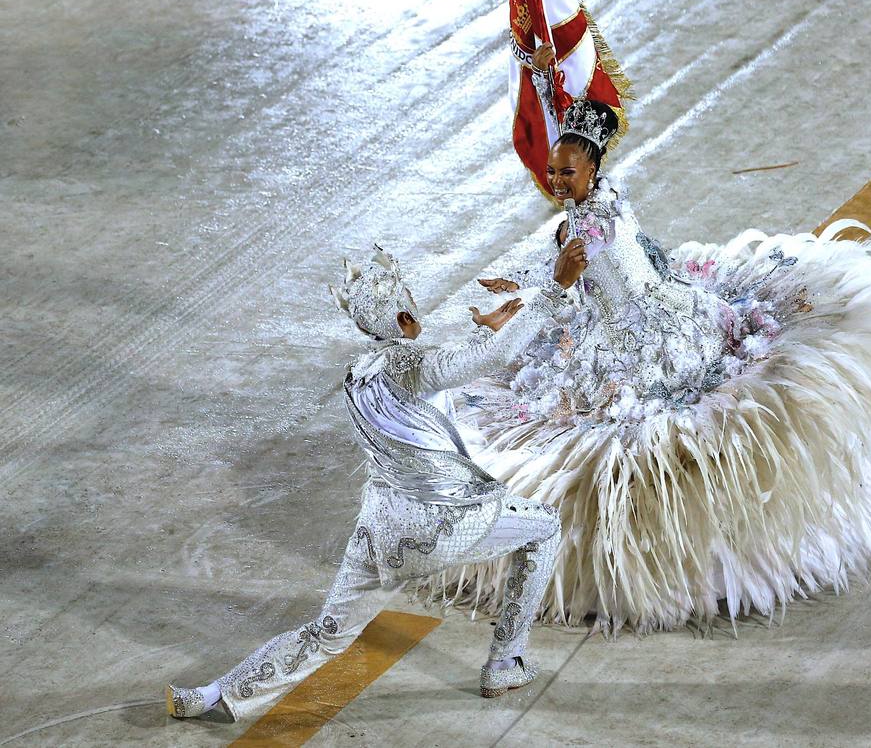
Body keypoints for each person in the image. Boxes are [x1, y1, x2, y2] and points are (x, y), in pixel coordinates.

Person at [449, 44, 871, 634]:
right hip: (661, 311)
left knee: (644, 432)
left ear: (591, 169)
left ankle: (688, 545)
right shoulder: (603, 196)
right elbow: (566, 231)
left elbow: (564, 284)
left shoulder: (588, 224)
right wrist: (547, 76)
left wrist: (519, 301)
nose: (555, 180)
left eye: (565, 172)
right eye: (553, 171)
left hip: (640, 340)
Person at [166, 240, 588, 720]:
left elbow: (429, 375)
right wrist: (554, 289)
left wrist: (480, 336)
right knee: (546, 525)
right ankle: (505, 661)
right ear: (406, 318)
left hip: (377, 536)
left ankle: (212, 695)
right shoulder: (414, 365)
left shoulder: (356, 374)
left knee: (326, 635)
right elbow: (477, 363)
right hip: (442, 527)